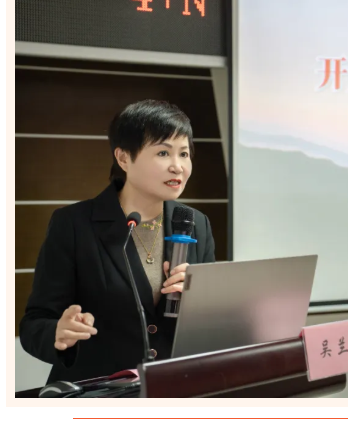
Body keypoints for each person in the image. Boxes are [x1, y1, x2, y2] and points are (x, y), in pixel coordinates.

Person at [20, 100, 216, 384]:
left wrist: (200, 301)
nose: (178, 167)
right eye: (163, 152)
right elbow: (34, 324)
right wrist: (58, 333)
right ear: (124, 158)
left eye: (184, 153)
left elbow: (211, 323)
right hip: (98, 391)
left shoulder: (196, 222)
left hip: (173, 388)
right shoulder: (73, 224)